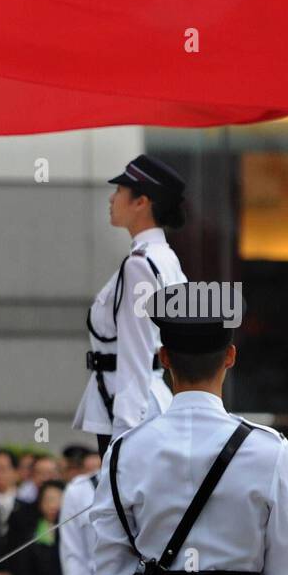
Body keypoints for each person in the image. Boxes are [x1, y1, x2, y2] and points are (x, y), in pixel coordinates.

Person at [92, 295, 288, 575]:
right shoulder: (268, 448)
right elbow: (283, 564)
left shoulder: (125, 450)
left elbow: (111, 568)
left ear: (163, 357)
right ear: (231, 356)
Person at [75, 155, 187, 454]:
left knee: (123, 499)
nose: (112, 198)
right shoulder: (164, 257)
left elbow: (135, 351)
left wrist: (126, 434)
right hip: (145, 402)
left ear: (142, 202)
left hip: (130, 408)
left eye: (120, 191)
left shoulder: (141, 264)